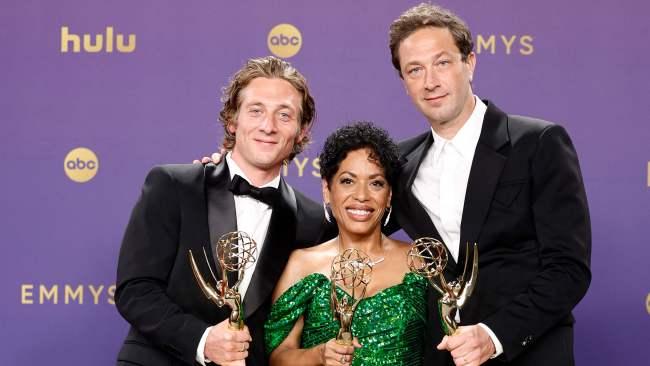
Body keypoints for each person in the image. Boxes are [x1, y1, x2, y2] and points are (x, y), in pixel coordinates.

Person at [386, 4, 591, 365]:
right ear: (404, 84)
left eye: (442, 62)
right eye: (415, 70)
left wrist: (494, 335)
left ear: (470, 63)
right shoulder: (399, 165)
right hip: (443, 356)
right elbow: (349, 223)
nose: (430, 81)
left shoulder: (537, 142)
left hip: (529, 353)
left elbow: (568, 269)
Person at [115, 56, 334, 366]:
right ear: (233, 120)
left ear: (301, 130)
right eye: (256, 111)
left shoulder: (313, 223)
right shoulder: (175, 185)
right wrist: (203, 341)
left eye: (284, 115)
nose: (268, 126)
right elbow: (135, 291)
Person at [264, 122, 429, 366]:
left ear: (389, 195)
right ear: (327, 190)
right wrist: (319, 355)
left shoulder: (417, 260)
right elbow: (278, 357)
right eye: (348, 181)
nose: (362, 196)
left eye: (376, 183)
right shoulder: (302, 264)